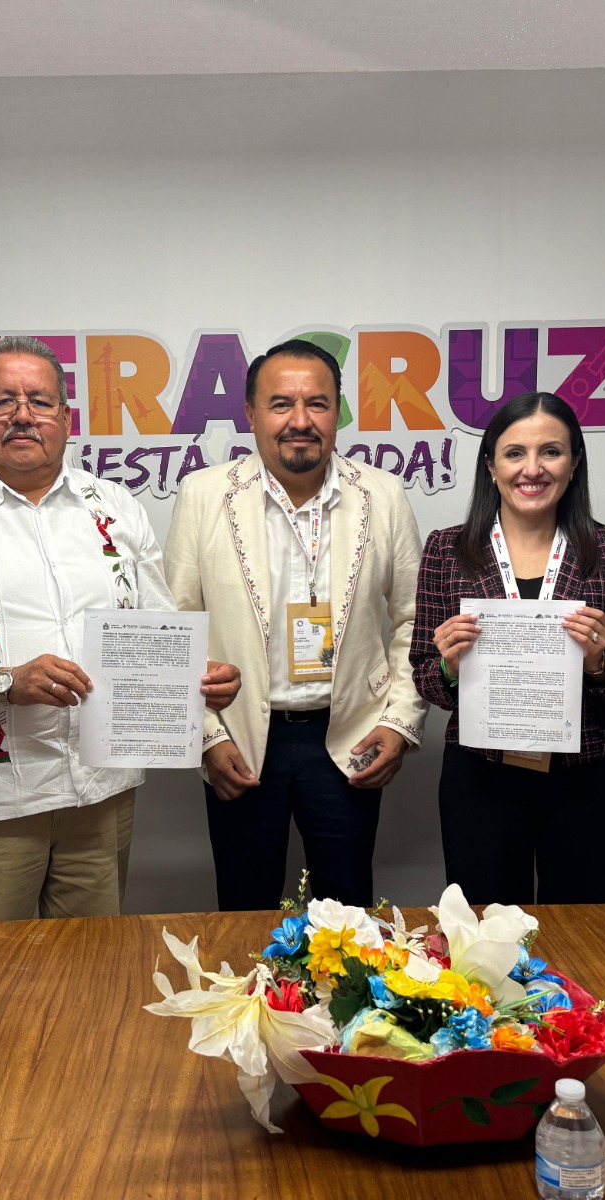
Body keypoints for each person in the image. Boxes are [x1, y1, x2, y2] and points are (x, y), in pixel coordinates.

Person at [0, 335, 238, 956]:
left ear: (65, 418)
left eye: (39, 401)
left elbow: (157, 630)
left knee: (90, 973)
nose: (22, 415)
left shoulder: (113, 506)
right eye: (2, 401)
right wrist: (2, 682)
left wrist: (199, 680)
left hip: (101, 794)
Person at [164, 339, 427, 911]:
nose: (300, 421)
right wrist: (207, 736)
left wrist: (400, 722)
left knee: (349, 920)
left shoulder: (382, 495)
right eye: (281, 404)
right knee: (244, 911)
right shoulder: (204, 494)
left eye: (318, 404)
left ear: (338, 412)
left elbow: (415, 620)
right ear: (251, 413)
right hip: (239, 739)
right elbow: (174, 629)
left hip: (350, 736)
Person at [411, 392, 605, 905]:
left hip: (587, 779)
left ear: (574, 462)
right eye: (515, 453)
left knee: (589, 933)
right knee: (486, 937)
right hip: (480, 778)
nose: (532, 469)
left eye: (551, 452)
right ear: (490, 465)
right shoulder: (447, 550)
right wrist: (450, 668)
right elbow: (425, 677)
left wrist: (599, 663)